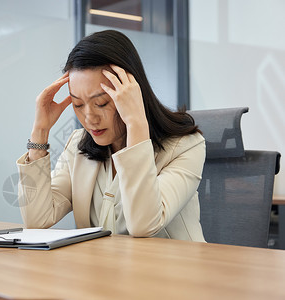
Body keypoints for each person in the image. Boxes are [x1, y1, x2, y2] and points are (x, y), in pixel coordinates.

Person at [16, 30, 206, 242]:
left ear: (131, 92)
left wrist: (135, 123)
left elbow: (143, 225)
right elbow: (36, 220)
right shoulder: (77, 146)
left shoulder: (186, 146)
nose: (89, 118)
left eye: (101, 103)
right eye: (78, 104)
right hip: (103, 272)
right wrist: (40, 131)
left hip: (173, 273)